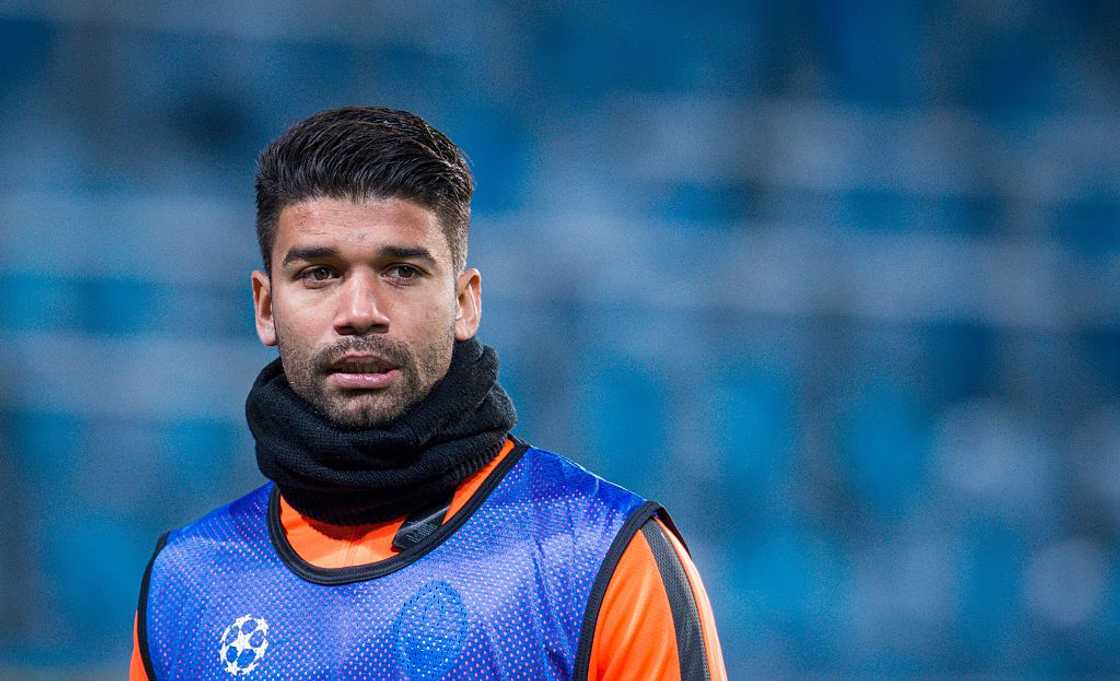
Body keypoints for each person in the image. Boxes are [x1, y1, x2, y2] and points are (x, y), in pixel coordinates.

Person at [129, 106, 727, 680]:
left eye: (402, 272)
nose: (360, 312)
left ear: (465, 302)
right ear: (265, 306)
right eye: (319, 274)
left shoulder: (600, 558)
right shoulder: (186, 585)